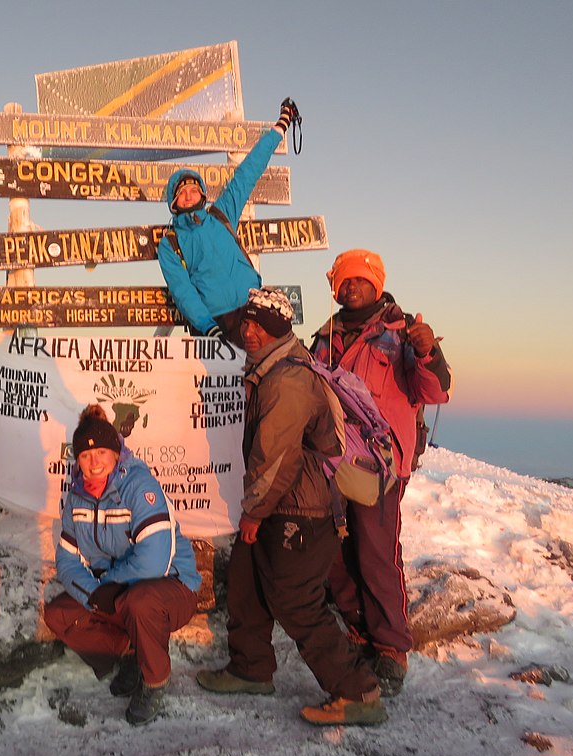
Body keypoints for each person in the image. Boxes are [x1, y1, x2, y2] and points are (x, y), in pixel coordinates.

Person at [196, 288, 387, 726]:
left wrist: (254, 512)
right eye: (246, 323)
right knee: (246, 581)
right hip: (280, 505)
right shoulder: (271, 368)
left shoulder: (287, 381)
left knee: (296, 602)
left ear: (278, 330)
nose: (249, 331)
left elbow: (276, 458)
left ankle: (358, 692)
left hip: (302, 511)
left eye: (259, 325)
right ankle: (251, 668)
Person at [310, 249, 452, 697]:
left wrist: (426, 351)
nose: (350, 287)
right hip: (331, 457)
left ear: (377, 283)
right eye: (343, 281)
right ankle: (360, 628)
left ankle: (391, 647)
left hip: (382, 464)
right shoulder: (325, 335)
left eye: (359, 280)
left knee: (375, 550)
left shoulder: (404, 332)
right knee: (331, 548)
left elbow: (436, 389)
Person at [43, 405, 201, 726]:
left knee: (138, 601)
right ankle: (130, 652)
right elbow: (68, 561)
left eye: (102, 452)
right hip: (116, 591)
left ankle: (154, 680)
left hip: (172, 588)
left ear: (116, 454)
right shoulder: (76, 497)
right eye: (86, 456)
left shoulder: (138, 486)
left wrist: (109, 585)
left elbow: (154, 558)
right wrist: (95, 593)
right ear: (77, 461)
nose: (95, 462)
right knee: (58, 614)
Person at [156, 100, 298, 346]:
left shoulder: (221, 215)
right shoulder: (171, 243)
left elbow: (248, 173)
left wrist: (280, 127)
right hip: (218, 322)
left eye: (193, 189)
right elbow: (182, 291)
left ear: (202, 194)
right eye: (182, 192)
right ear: (173, 202)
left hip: (253, 309)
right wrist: (206, 326)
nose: (189, 195)